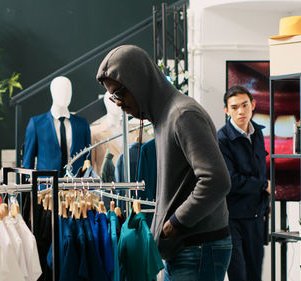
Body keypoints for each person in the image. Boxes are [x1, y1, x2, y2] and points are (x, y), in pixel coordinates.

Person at [96, 45, 232, 281]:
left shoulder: (182, 114)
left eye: (119, 93)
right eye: (112, 96)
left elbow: (216, 180)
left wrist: (174, 223)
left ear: (138, 82)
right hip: (187, 247)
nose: (117, 103)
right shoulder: (164, 117)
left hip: (197, 247)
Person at [217, 85, 269, 281]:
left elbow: (260, 169)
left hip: (256, 217)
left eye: (245, 105)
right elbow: (231, 181)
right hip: (232, 218)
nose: (241, 111)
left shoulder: (258, 134)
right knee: (239, 275)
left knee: (255, 275)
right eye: (235, 107)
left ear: (253, 105)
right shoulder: (222, 139)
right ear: (226, 110)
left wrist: (265, 204)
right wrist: (264, 185)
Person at [23, 76, 91, 176]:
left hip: (75, 187)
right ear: (52, 92)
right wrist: (28, 189)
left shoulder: (82, 124)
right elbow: (28, 163)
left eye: (68, 91)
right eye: (61, 91)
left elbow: (87, 160)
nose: (65, 95)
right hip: (46, 187)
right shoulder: (37, 124)